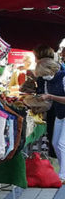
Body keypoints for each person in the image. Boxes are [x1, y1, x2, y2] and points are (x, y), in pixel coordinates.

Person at [34, 44, 65, 178]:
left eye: (44, 75)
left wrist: (50, 97)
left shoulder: (63, 77)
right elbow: (48, 103)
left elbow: (52, 98)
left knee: (62, 143)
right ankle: (62, 168)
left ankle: (63, 174)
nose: (43, 78)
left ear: (51, 71)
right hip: (59, 113)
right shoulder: (47, 81)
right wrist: (37, 106)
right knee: (54, 143)